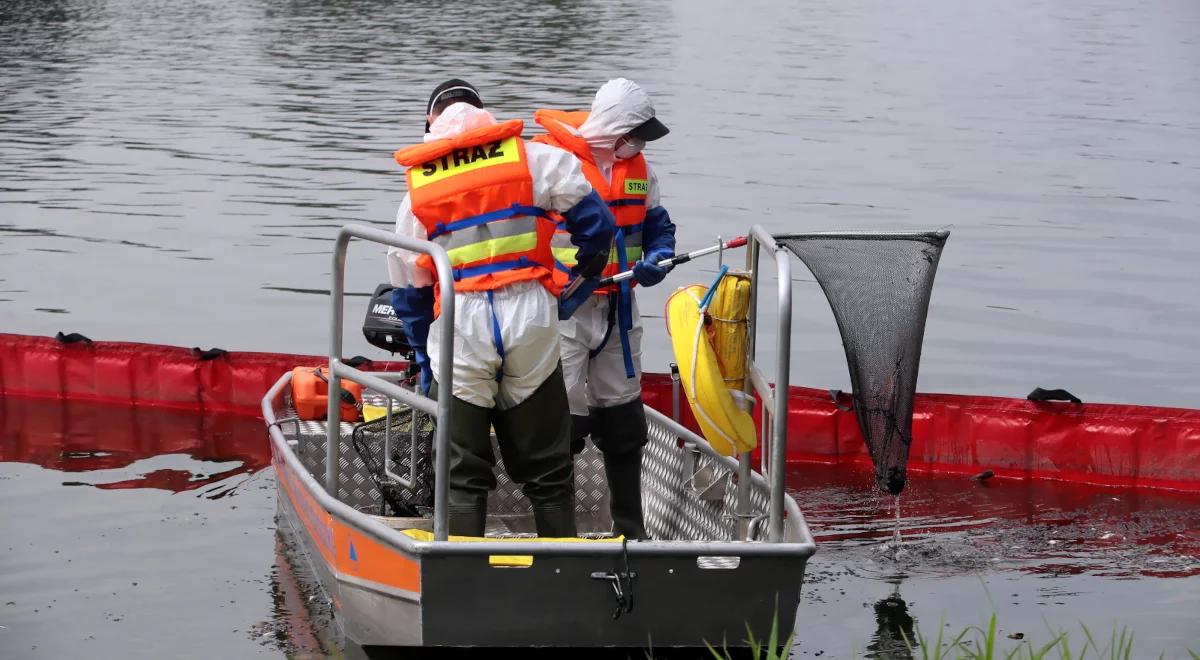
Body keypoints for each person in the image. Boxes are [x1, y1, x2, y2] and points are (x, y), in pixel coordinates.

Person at [385, 79, 616, 538]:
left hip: (460, 323)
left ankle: (461, 567)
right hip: (531, 316)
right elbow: (598, 226)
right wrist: (576, 285)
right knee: (548, 469)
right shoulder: (536, 158)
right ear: (484, 113)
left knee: (460, 470)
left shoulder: (417, 191)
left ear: (431, 122)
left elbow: (411, 289)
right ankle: (561, 564)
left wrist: (423, 356)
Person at [531, 78, 677, 540]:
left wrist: (659, 257)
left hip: (620, 306)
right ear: (615, 128)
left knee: (623, 419)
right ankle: (558, 534)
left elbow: (657, 225)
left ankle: (631, 532)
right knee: (560, 417)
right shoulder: (546, 161)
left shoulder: (640, 169)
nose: (639, 144)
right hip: (564, 306)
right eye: (634, 134)